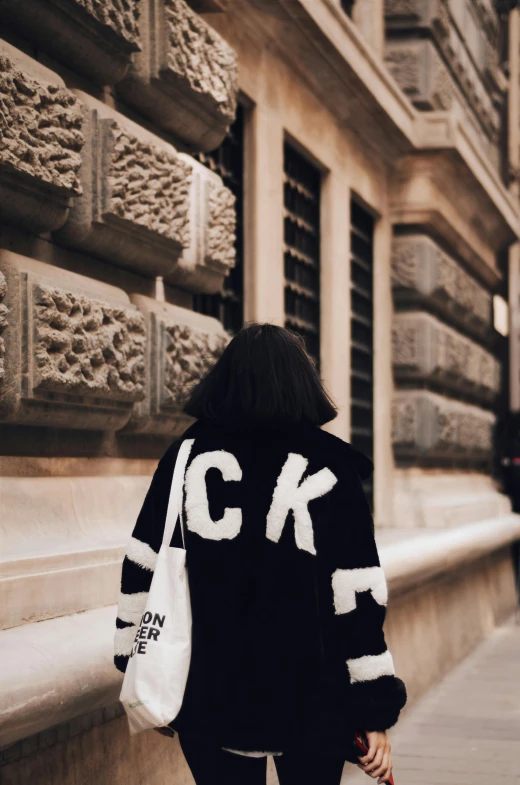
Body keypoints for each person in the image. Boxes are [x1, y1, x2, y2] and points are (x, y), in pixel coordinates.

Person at [114, 323, 406, 785]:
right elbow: (357, 593)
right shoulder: (332, 466)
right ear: (301, 381)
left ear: (225, 380)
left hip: (209, 691)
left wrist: (135, 656)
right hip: (313, 695)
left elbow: (143, 564)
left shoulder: (185, 458)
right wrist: (372, 706)